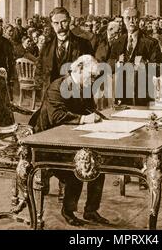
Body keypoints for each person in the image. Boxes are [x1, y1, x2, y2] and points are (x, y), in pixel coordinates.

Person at [29, 55, 109, 226]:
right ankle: (68, 210)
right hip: (46, 143)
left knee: (97, 164)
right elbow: (57, 117)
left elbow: (89, 109)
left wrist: (101, 119)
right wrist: (85, 120)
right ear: (79, 69)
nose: (94, 79)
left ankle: (91, 210)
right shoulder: (57, 87)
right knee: (79, 166)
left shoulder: (84, 87)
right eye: (92, 75)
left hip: (71, 139)